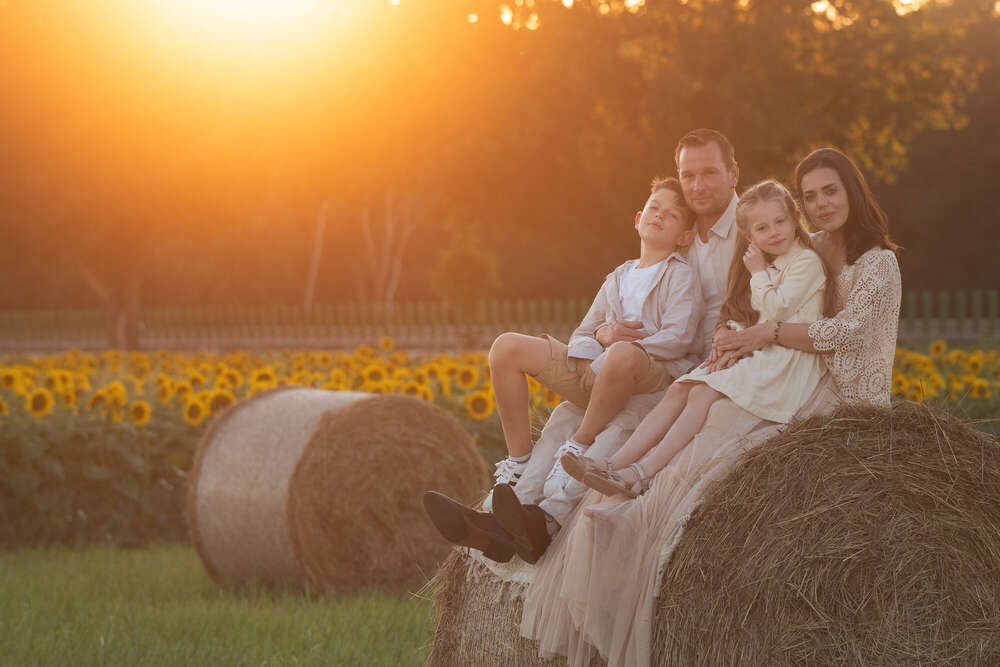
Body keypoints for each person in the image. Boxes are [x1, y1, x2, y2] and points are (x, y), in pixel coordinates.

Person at [519, 147, 901, 667]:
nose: (821, 203)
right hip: (782, 369)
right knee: (695, 395)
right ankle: (621, 481)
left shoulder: (879, 261)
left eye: (831, 191)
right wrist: (728, 332)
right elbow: (747, 301)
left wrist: (764, 333)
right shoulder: (799, 241)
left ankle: (636, 510)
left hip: (841, 398)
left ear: (853, 190)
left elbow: (850, 334)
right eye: (810, 195)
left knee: (715, 429)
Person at [423, 176, 705, 563]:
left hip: (648, 382)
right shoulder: (618, 278)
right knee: (513, 355)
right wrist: (594, 351)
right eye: (654, 209)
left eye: (672, 215)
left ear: (685, 237)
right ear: (638, 218)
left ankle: (546, 520)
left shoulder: (681, 276)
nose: (660, 216)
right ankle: (509, 499)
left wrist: (612, 350)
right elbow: (586, 331)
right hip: (601, 375)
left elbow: (680, 337)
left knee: (609, 425)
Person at [563, 179, 829, 497]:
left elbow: (776, 307)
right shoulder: (765, 261)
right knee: (679, 390)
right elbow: (746, 313)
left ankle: (639, 473)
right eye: (762, 228)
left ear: (795, 218)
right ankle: (612, 464)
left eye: (780, 221)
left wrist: (757, 271)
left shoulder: (806, 262)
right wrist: (726, 336)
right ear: (750, 237)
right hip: (758, 349)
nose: (773, 232)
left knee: (701, 396)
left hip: (785, 359)